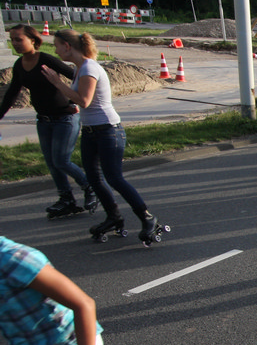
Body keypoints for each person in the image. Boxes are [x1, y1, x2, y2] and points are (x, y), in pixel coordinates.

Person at [40, 30, 165, 244]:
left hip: (108, 131)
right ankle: (114, 217)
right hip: (91, 132)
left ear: (67, 46)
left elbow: (84, 100)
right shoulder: (79, 68)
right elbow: (80, 102)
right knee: (94, 179)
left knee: (114, 178)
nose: (55, 50)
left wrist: (57, 83)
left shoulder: (89, 68)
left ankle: (147, 218)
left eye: (56, 45)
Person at [0, 25, 97, 220]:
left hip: (65, 118)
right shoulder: (19, 65)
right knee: (52, 163)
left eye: (19, 39)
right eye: (12, 40)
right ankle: (66, 199)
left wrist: (75, 99)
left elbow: (75, 75)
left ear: (33, 40)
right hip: (43, 120)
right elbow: (12, 94)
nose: (15, 43)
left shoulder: (46, 60)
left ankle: (90, 187)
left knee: (61, 160)